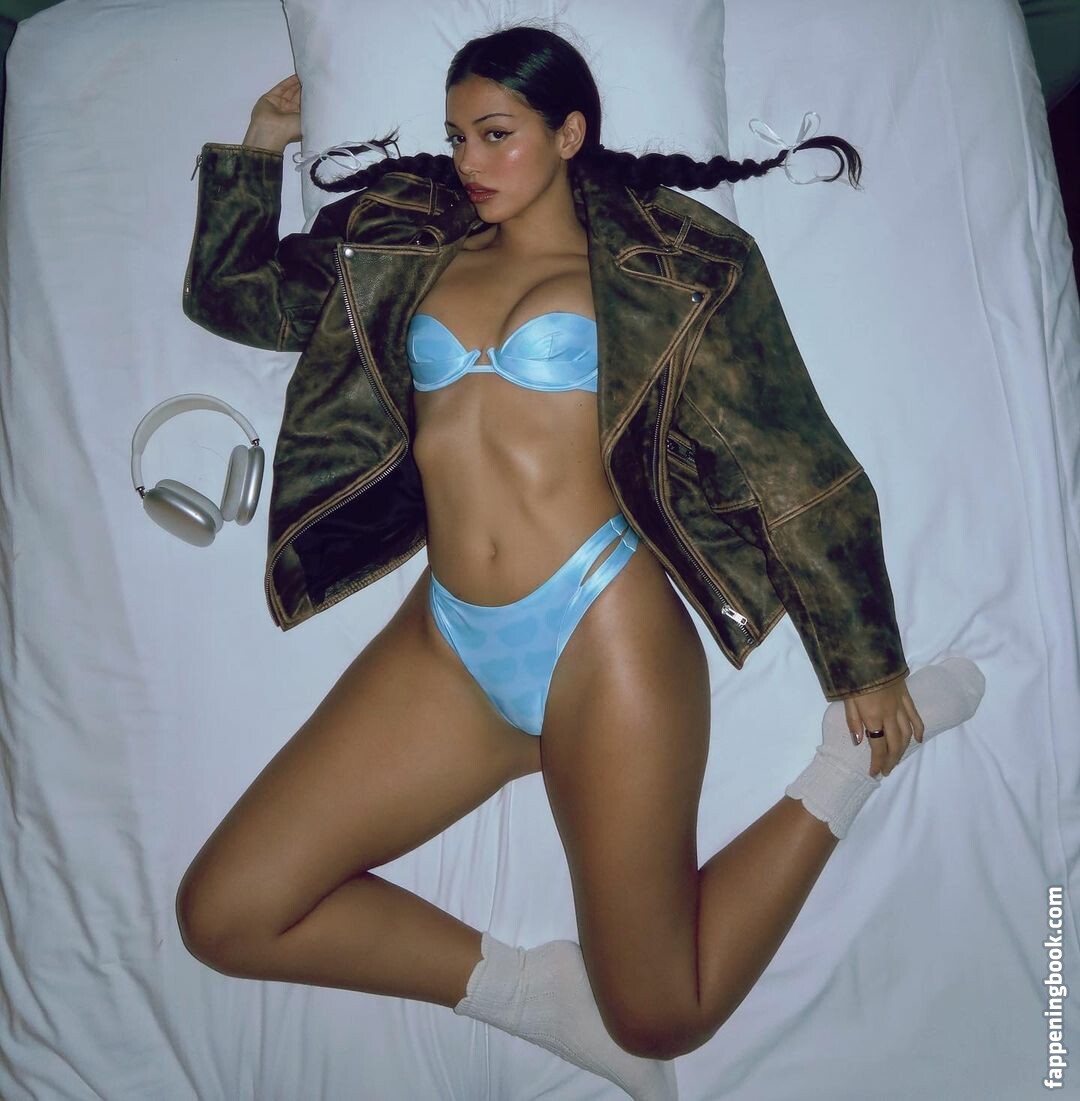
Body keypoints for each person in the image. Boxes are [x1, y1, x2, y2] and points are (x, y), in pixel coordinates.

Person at [176, 26, 986, 1101]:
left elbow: (790, 457)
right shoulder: (404, 244)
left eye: (496, 134)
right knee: (224, 912)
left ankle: (843, 769)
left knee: (662, 1013)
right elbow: (235, 297)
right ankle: (528, 992)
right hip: (449, 643)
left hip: (604, 635)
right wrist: (258, 147)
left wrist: (865, 660)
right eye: (457, 137)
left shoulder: (674, 267)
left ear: (568, 134)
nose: (470, 162)